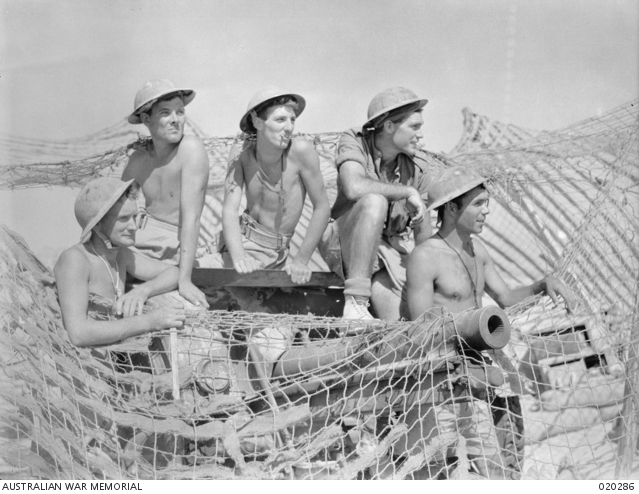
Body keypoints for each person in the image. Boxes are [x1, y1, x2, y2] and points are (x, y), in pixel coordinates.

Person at [400, 166, 576, 478]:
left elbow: (506, 297)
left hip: (478, 374)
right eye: (479, 203)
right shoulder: (425, 256)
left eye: (487, 202)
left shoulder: (477, 250)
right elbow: (420, 327)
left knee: (496, 468)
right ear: (452, 208)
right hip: (440, 381)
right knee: (437, 467)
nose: (488, 210)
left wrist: (542, 285)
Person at [321, 87, 446, 321]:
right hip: (344, 242)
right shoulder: (355, 140)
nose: (420, 135)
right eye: (414, 127)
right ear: (389, 126)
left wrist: (431, 284)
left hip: (390, 253)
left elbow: (423, 232)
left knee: (406, 322)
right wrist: (405, 191)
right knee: (374, 202)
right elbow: (353, 187)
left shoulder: (418, 165)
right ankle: (355, 304)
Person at [196, 87, 330, 284]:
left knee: (189, 275)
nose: (289, 127)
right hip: (231, 238)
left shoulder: (301, 152)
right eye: (280, 120)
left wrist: (301, 261)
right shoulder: (241, 151)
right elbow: (230, 209)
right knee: (181, 263)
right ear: (257, 121)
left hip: (263, 251)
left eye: (292, 120)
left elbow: (322, 207)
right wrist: (239, 256)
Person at [54, 177, 186, 347]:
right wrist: (150, 321)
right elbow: (79, 333)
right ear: (97, 224)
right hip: (83, 367)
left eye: (135, 217)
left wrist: (142, 291)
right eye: (124, 219)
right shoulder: (76, 260)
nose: (133, 227)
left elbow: (173, 273)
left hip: (113, 363)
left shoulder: (120, 254)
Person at [122, 79, 210, 309]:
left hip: (172, 249)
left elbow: (192, 218)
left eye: (180, 112)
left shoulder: (190, 149)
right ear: (146, 120)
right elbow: (116, 208)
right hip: (137, 245)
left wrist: (185, 278)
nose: (175, 120)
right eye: (165, 113)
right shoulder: (139, 159)